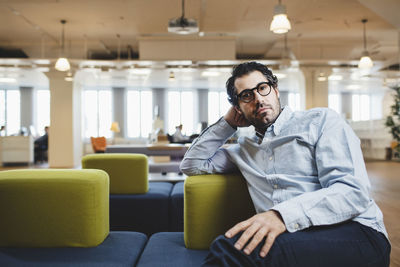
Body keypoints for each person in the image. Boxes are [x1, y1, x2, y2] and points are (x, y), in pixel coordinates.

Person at [180, 62, 390, 267]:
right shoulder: (243, 150)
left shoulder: (321, 121)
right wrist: (227, 124)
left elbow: (352, 193)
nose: (258, 99)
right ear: (238, 108)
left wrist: (281, 216)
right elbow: (191, 164)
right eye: (246, 96)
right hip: (293, 238)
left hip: (355, 231)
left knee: (230, 250)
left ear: (276, 90)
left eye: (263, 88)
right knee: (234, 247)